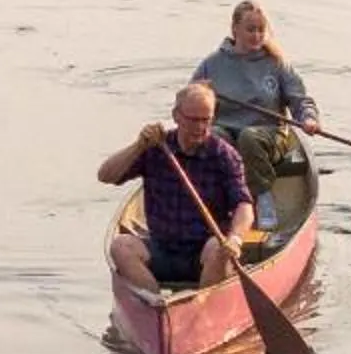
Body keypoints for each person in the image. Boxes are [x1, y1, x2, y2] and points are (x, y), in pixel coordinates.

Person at [99, 82, 254, 294]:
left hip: (204, 254)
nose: (200, 127)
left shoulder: (224, 155)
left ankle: (204, 306)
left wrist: (235, 239)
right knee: (120, 246)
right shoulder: (156, 148)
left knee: (219, 249)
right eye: (193, 120)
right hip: (162, 249)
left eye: (206, 120)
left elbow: (243, 205)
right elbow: (106, 176)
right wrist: (138, 146)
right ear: (176, 116)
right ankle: (155, 304)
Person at [191, 0, 319, 207]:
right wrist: (200, 93)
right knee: (212, 136)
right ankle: (217, 196)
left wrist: (309, 118)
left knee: (249, 138)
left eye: (261, 30)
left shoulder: (276, 63)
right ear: (235, 29)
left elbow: (300, 99)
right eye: (251, 29)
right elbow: (188, 100)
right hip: (226, 131)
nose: (257, 35)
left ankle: (262, 196)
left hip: (268, 134)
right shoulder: (212, 64)